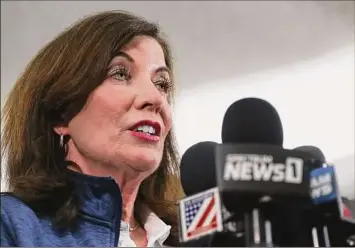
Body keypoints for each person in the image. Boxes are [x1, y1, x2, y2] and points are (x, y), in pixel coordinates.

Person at [1, 10, 184, 247]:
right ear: (61, 115)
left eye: (161, 84)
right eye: (120, 73)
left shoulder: (190, 239)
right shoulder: (11, 225)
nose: (155, 98)